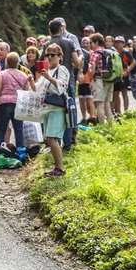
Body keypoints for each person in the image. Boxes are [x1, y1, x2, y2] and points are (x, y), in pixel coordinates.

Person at [40, 19, 81, 151]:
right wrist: (81, 60)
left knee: (53, 111)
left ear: (49, 31)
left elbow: (41, 64)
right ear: (62, 29)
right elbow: (77, 62)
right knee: (69, 112)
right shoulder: (69, 42)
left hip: (50, 82)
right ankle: (69, 144)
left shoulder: (47, 44)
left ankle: (55, 143)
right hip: (69, 81)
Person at [0, 52, 34, 150]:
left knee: (1, 129)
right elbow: (26, 92)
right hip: (18, 104)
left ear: (7, 62)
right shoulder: (23, 75)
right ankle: (20, 151)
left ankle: (0, 150)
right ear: (18, 63)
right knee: (18, 129)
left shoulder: (2, 74)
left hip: (4, 104)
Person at [39, 44, 69, 177]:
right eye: (48, 55)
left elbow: (62, 86)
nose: (50, 57)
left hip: (57, 109)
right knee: (49, 139)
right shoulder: (47, 71)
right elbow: (39, 89)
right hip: (47, 108)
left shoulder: (61, 69)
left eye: (53, 55)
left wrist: (49, 78)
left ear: (60, 57)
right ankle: (57, 167)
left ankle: (60, 168)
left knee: (52, 138)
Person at [89, 33, 113, 126]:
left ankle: (102, 127)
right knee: (107, 105)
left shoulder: (95, 54)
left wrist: (91, 75)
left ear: (96, 42)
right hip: (110, 80)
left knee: (100, 105)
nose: (91, 45)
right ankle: (111, 126)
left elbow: (93, 70)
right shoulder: (109, 52)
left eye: (92, 43)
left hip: (99, 80)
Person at [112, 36, 135, 114]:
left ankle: (126, 110)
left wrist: (127, 71)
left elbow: (133, 62)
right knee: (115, 93)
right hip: (116, 75)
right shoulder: (114, 52)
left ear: (123, 43)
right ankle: (118, 111)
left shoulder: (126, 52)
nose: (118, 44)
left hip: (124, 74)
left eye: (120, 43)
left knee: (124, 92)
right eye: (116, 42)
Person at [78, 37, 94, 123]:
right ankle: (84, 118)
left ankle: (92, 117)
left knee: (89, 100)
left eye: (87, 43)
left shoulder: (92, 54)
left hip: (89, 79)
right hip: (81, 80)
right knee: (81, 100)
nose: (85, 45)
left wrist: (92, 80)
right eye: (84, 43)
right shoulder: (80, 54)